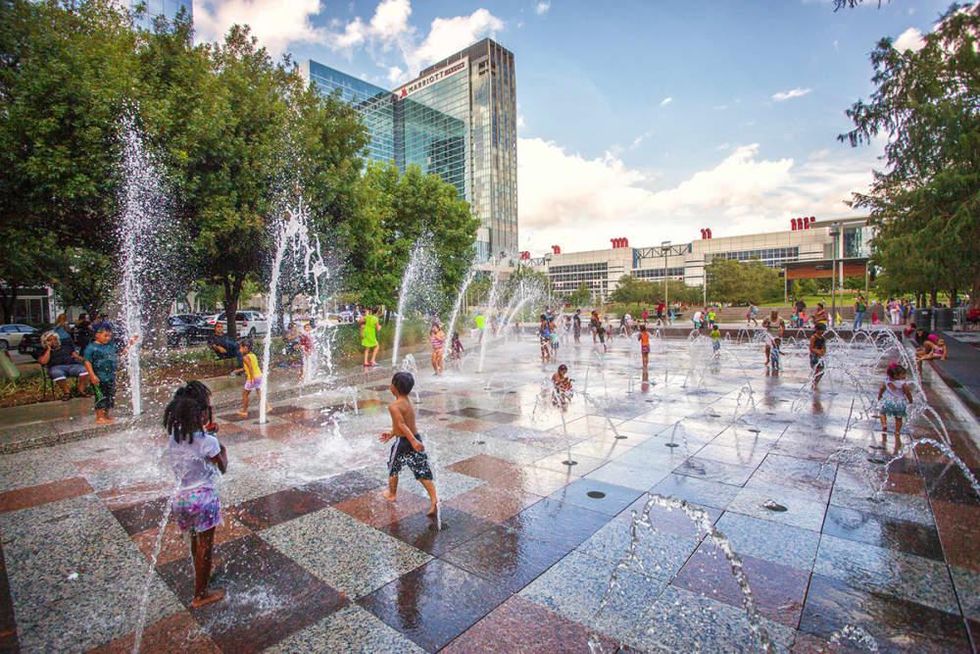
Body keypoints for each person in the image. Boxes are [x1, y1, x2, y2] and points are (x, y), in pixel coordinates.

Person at [165, 383, 228, 609]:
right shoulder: (208, 442)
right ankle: (201, 595)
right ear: (202, 414)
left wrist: (207, 431)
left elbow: (192, 447)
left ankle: (201, 576)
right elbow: (222, 467)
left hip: (181, 498)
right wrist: (221, 448)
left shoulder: (174, 437)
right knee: (205, 546)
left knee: (195, 540)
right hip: (204, 499)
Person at [379, 372, 438, 517]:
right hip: (416, 438)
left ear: (394, 387)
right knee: (421, 470)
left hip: (404, 442)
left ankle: (392, 494)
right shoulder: (408, 401)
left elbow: (401, 424)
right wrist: (392, 433)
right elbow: (404, 424)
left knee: (393, 468)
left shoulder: (394, 406)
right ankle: (434, 499)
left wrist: (410, 441)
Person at [83, 325, 137, 425]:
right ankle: (99, 416)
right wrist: (92, 375)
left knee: (110, 396)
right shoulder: (91, 348)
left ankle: (106, 415)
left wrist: (130, 343)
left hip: (110, 376)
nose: (108, 338)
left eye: (109, 336)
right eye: (105, 336)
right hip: (99, 377)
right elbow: (87, 362)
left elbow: (121, 354)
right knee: (100, 396)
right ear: (97, 335)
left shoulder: (110, 346)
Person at [38, 330, 90, 400]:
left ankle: (80, 390)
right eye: (50, 340)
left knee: (85, 370)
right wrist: (48, 349)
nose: (53, 341)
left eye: (55, 339)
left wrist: (83, 359)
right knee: (56, 373)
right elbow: (43, 362)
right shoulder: (43, 350)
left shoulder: (66, 346)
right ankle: (67, 393)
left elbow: (76, 356)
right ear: (45, 342)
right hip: (56, 367)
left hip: (72, 365)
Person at [877, 363, 913, 446]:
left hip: (887, 401)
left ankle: (884, 424)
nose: (905, 376)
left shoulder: (887, 381)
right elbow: (907, 392)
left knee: (882, 413)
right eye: (903, 374)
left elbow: (882, 389)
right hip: (899, 403)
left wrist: (880, 396)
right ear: (896, 375)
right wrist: (910, 400)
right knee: (898, 418)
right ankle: (897, 431)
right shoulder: (903, 384)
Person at [235, 341, 263, 417]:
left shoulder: (245, 357)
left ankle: (244, 411)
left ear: (245, 348)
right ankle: (267, 406)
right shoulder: (253, 355)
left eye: (240, 348)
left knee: (245, 394)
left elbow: (250, 367)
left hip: (252, 377)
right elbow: (250, 366)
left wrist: (251, 378)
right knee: (259, 392)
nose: (240, 350)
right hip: (259, 375)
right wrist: (239, 370)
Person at [809, 323, 828, 388]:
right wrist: (818, 351)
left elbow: (824, 347)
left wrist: (823, 351)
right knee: (817, 370)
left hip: (820, 357)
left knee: (821, 371)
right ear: (816, 330)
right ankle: (814, 384)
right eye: (821, 330)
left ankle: (815, 383)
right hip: (814, 356)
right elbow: (811, 348)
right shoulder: (813, 337)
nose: (822, 332)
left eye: (823, 330)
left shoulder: (823, 338)